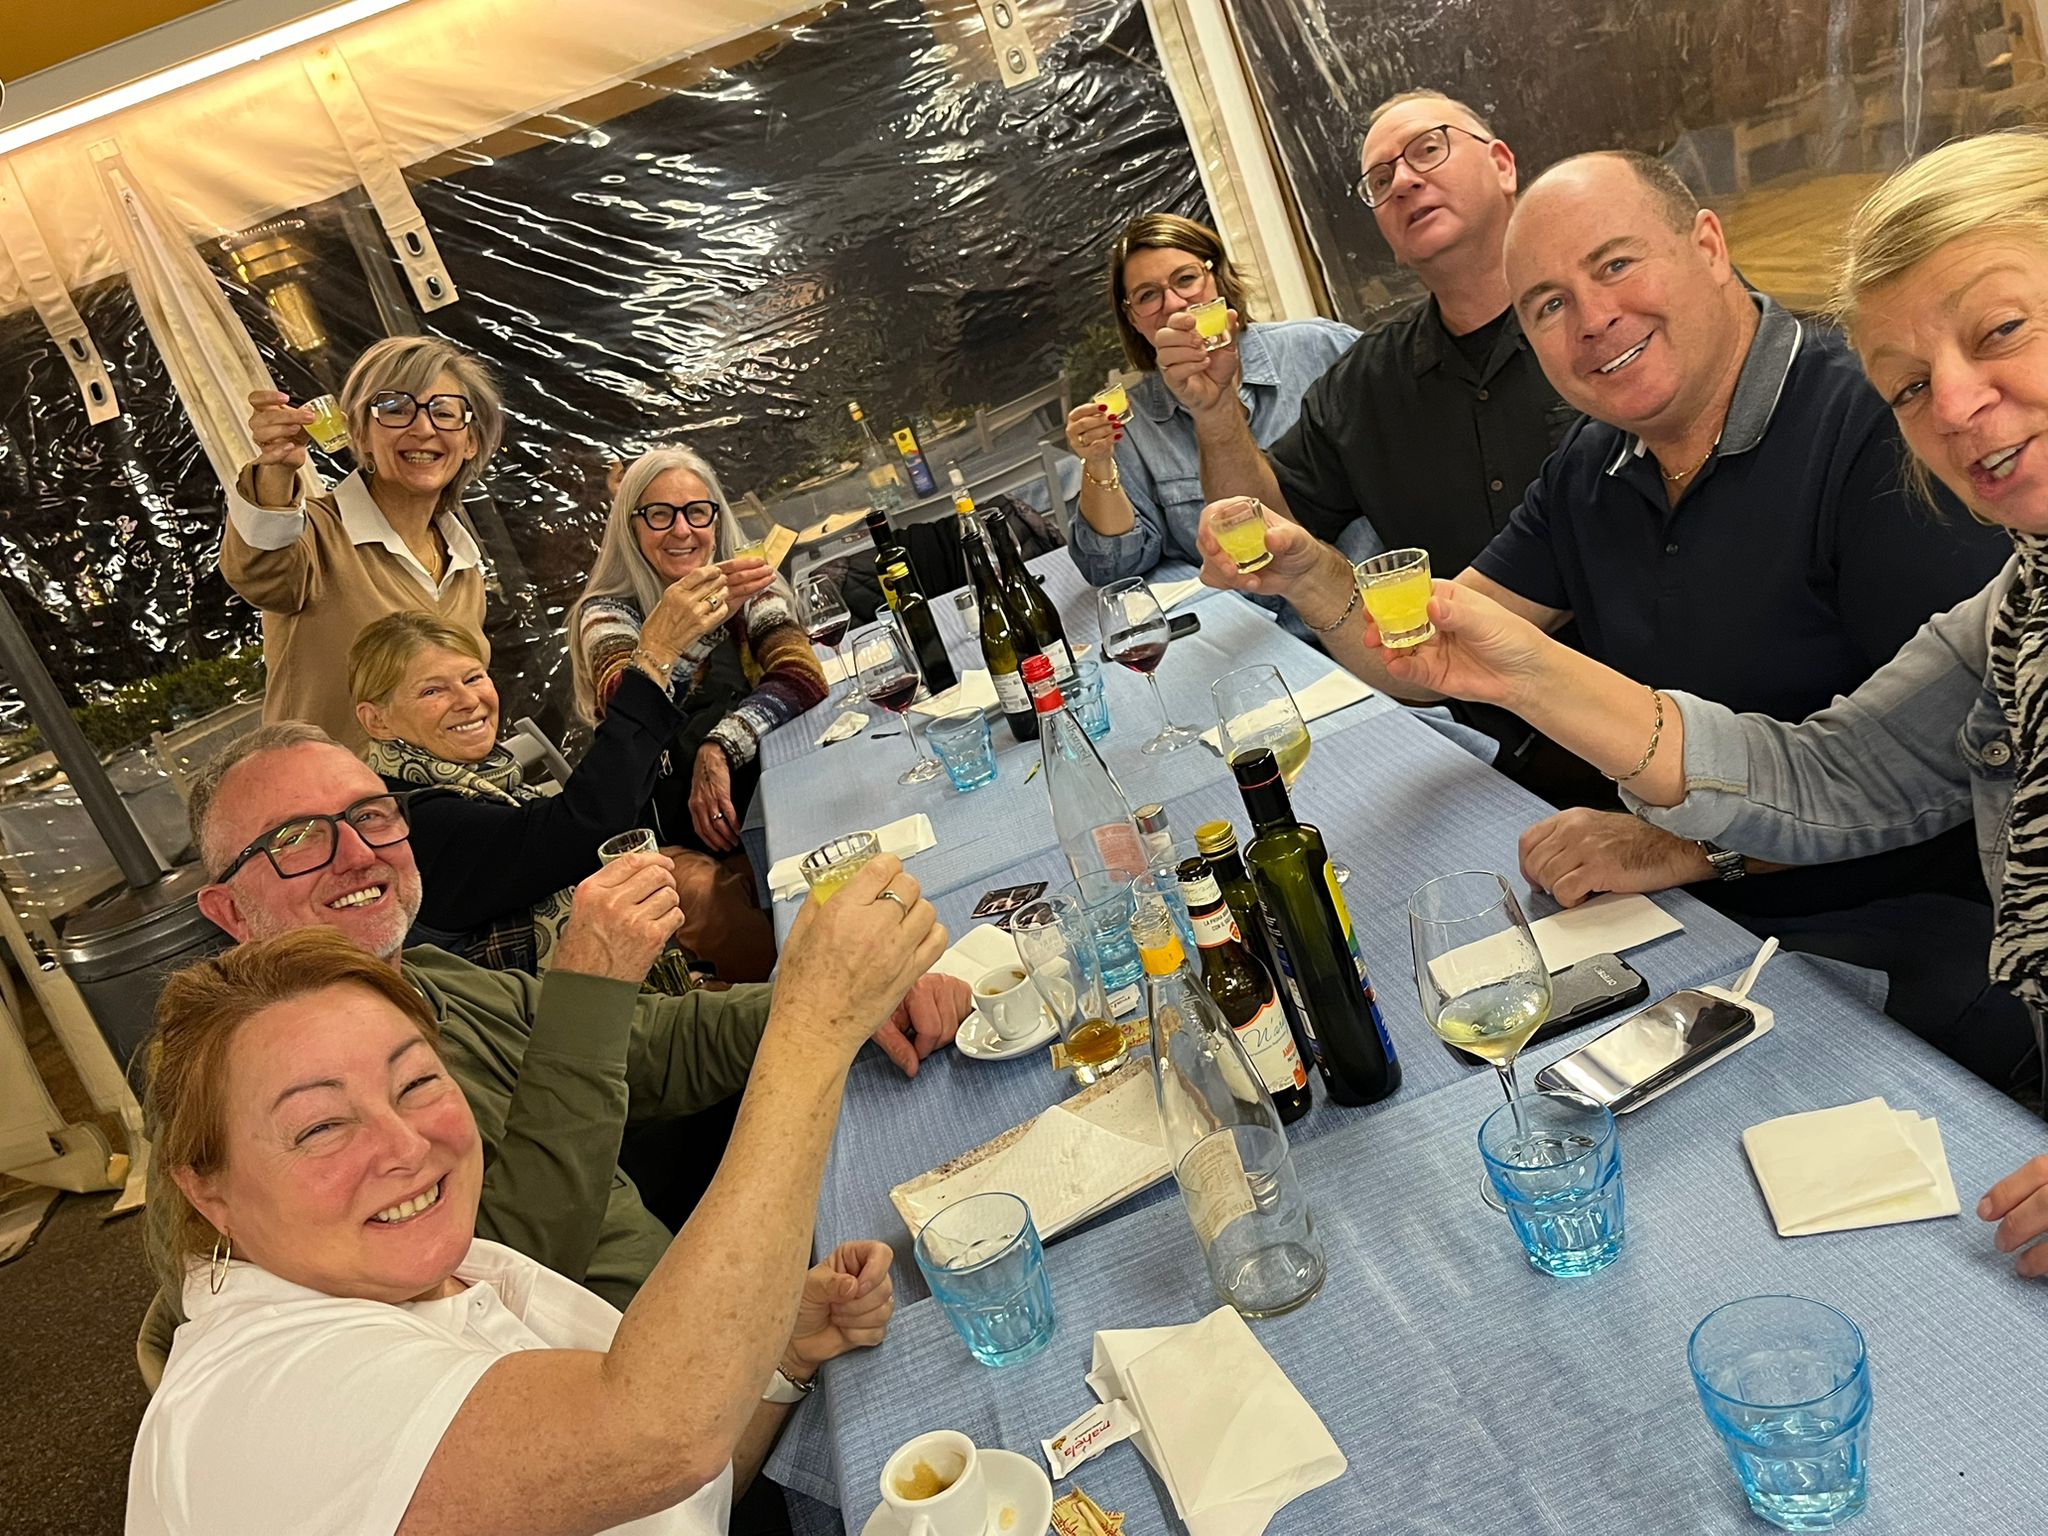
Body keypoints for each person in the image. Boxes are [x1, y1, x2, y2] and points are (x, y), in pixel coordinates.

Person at [1343, 129, 2048, 1276]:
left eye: (1999, 330)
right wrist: (1522, 670)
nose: (1959, 405)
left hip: (1913, 949)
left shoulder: (1849, 440)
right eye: (1912, 384)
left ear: (1708, 248)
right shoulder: (2018, 604)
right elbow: (1833, 773)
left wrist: (1679, 849)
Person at [1196, 150, 2020, 1077]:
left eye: (1616, 264)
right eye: (1549, 305)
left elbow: (1923, 781)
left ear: (1709, 245)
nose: (1592, 319)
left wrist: (1684, 846)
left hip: (1903, 933)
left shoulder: (1880, 425)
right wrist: (1311, 575)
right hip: (1693, 915)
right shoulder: (1596, 462)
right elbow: (1430, 654)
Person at [127, 860, 933, 1532]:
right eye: (320, 1127)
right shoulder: (266, 1402)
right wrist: (815, 1027)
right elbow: (658, 1437)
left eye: (415, 1083)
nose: (406, 1147)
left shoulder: (459, 1268)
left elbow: (654, 1489)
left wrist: (780, 1358)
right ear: (206, 1190)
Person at [176, 724, 966, 1315]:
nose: (358, 854)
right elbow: (501, 1280)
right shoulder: (269, 1101)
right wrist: (589, 984)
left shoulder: (430, 977)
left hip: (729, 1312)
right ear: (228, 911)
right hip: (666, 1403)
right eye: (297, 840)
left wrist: (841, 996)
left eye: (372, 815)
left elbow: (655, 1047)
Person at [350, 611, 775, 983]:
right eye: (432, 691)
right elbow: (581, 827)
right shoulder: (409, 823)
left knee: (756, 867)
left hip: (632, 980)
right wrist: (654, 654)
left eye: (473, 677)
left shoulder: (476, 776)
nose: (467, 700)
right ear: (377, 721)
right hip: (574, 1028)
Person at [1062, 213, 1361, 600]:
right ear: (1132, 318)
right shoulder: (1132, 423)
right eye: (1147, 296)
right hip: (1253, 622)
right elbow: (1111, 567)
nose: (1173, 303)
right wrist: (1098, 463)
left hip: (1372, 601)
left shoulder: (1321, 348)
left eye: (1186, 279)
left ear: (1217, 277)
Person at [227, 337, 506, 751]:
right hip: (334, 791)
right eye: (396, 409)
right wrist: (276, 470)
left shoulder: (463, 562)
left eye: (445, 412)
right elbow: (258, 571)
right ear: (359, 432)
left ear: (471, 443)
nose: (423, 428)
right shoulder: (313, 534)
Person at [569, 448, 823, 860]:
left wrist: (721, 745)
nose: (682, 530)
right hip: (682, 829)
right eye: (660, 514)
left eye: (697, 512)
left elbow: (801, 674)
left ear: (716, 520)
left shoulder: (746, 577)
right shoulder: (605, 615)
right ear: (631, 528)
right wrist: (697, 627)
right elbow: (629, 713)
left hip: (783, 781)